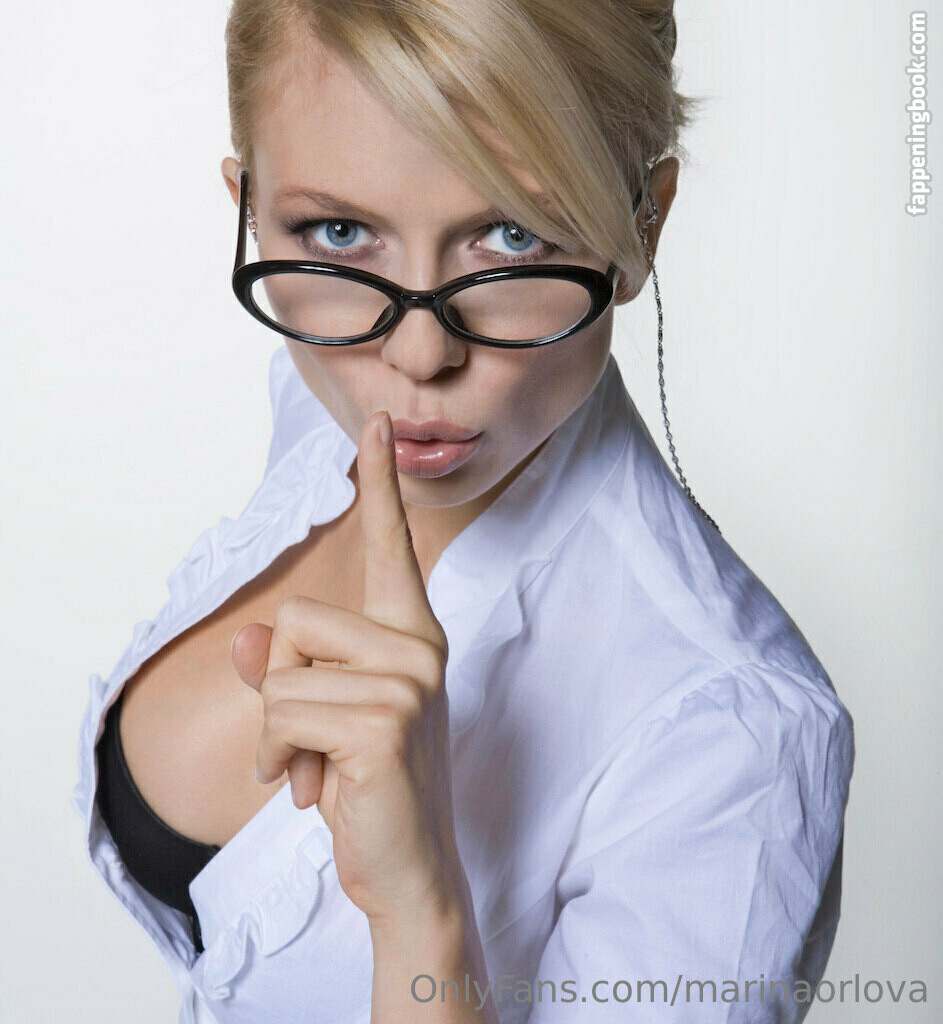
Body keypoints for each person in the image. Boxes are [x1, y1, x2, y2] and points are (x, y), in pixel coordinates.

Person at [71, 2, 855, 1022]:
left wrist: (419, 909)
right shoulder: (327, 399)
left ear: (644, 224)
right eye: (340, 232)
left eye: (511, 238)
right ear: (248, 205)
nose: (417, 354)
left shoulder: (733, 743)